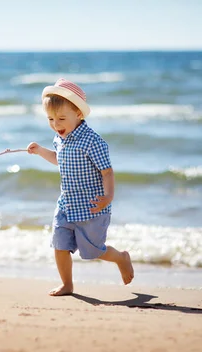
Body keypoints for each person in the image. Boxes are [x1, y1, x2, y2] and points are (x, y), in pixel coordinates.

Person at [27, 78, 134, 296]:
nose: (56, 125)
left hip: (92, 207)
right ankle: (67, 284)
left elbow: (107, 172)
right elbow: (58, 159)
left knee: (94, 252)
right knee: (59, 245)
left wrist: (108, 196)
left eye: (61, 118)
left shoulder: (93, 142)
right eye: (50, 119)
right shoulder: (60, 139)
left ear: (78, 114)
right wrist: (40, 151)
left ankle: (121, 258)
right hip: (66, 204)